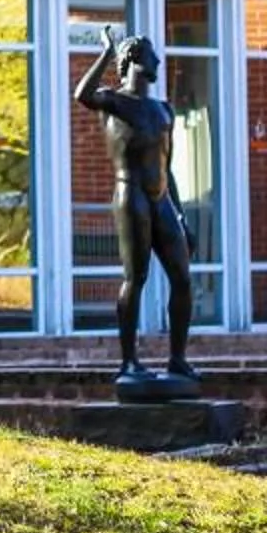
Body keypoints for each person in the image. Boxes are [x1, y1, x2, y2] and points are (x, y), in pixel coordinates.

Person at [74, 29, 196, 387]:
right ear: (134, 60)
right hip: (132, 198)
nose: (158, 61)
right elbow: (82, 94)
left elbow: (167, 167)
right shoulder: (114, 102)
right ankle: (129, 362)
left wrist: (182, 218)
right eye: (152, 55)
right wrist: (106, 53)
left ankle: (178, 360)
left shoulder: (164, 110)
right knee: (136, 278)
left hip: (160, 201)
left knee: (183, 278)